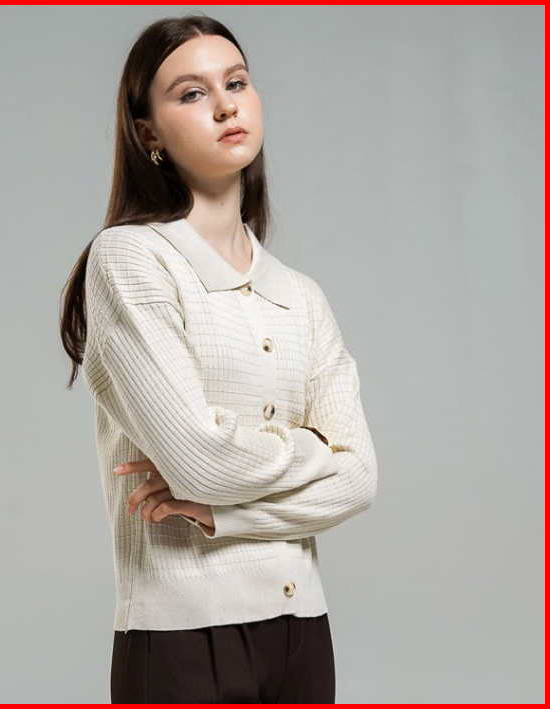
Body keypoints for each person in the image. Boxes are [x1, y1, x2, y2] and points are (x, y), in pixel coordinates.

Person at [59, 13, 378, 704]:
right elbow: (199, 462)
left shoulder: (301, 296)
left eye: (235, 82)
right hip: (183, 633)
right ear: (148, 133)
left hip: (303, 628)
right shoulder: (131, 259)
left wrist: (222, 514)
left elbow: (358, 480)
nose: (227, 105)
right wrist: (315, 447)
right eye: (191, 93)